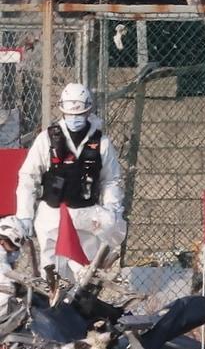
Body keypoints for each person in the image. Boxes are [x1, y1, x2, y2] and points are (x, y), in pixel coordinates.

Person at [1, 84, 125, 281]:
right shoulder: (47, 139)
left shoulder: (102, 143)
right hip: (52, 216)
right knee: (52, 276)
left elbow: (111, 181)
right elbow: (28, 177)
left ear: (89, 110)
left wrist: (112, 210)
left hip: (87, 216)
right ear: (62, 111)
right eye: (69, 113)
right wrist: (24, 215)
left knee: (86, 275)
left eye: (80, 113)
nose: (74, 118)